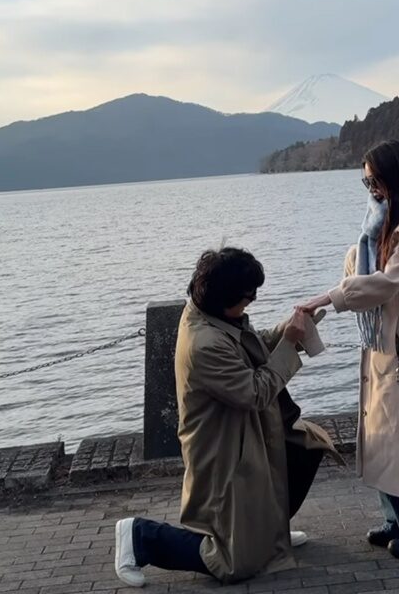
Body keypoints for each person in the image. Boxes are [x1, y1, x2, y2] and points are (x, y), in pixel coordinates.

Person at [115, 247, 339, 586]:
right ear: (225, 297)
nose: (251, 302)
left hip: (246, 431)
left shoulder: (215, 316)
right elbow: (255, 391)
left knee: (305, 448)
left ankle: (269, 535)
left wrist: (291, 328)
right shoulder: (204, 343)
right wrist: (290, 343)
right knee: (234, 563)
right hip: (223, 446)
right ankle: (139, 536)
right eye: (248, 297)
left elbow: (253, 346)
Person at [299, 140, 399, 562]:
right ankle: (398, 522)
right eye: (366, 182)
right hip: (385, 348)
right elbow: (362, 271)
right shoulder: (381, 224)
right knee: (387, 440)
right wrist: (358, 252)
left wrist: (327, 298)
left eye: (376, 181)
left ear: (396, 178)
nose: (372, 190)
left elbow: (384, 284)